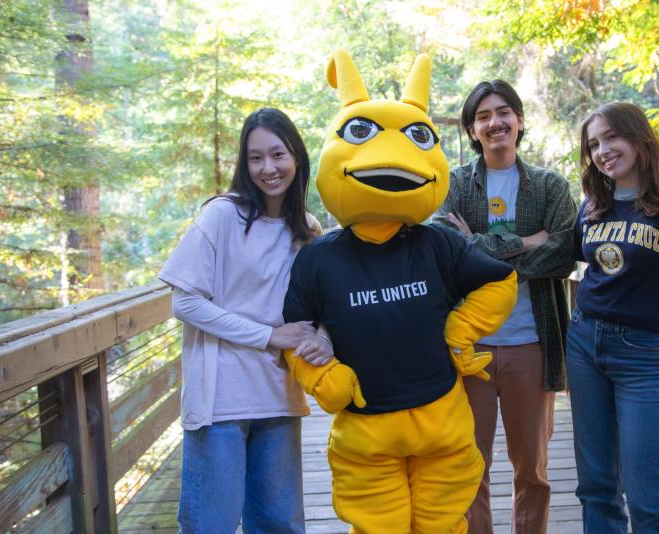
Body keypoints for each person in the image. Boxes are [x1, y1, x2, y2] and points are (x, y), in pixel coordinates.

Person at [280, 49, 518, 534]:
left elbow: (500, 279)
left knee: (442, 522)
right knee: (378, 525)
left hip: (441, 424)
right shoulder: (319, 258)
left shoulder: (438, 243)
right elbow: (295, 333)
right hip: (366, 432)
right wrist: (325, 380)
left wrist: (461, 328)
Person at [158, 108, 332, 534]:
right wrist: (269, 335)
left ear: (297, 158)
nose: (268, 168)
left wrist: (323, 335)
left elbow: (325, 302)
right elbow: (185, 303)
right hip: (221, 401)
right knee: (210, 526)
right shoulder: (222, 215)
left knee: (280, 525)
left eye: (278, 155)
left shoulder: (307, 230)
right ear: (244, 163)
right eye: (256, 158)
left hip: (278, 393)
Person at [567, 101, 659, 534]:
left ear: (638, 137)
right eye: (594, 144)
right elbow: (581, 261)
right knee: (596, 487)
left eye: (611, 137)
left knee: (647, 499)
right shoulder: (593, 204)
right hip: (584, 343)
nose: (602, 150)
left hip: (645, 356)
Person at [433, 79, 577, 534]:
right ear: (473, 130)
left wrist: (481, 250)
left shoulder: (551, 186)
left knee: (531, 469)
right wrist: (525, 241)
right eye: (483, 116)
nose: (494, 122)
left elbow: (564, 252)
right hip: (469, 348)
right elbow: (447, 252)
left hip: (533, 343)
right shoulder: (453, 184)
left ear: (518, 120)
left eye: (503, 112)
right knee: (468, 465)